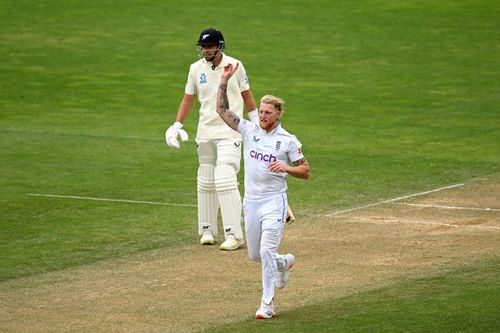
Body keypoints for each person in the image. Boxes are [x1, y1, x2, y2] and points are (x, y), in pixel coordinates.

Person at [215, 63, 311, 319]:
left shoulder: (288, 140)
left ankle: (266, 304)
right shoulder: (249, 129)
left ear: (278, 115)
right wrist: (224, 81)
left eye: (268, 112)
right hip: (252, 202)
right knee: (257, 255)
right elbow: (222, 110)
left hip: (274, 202)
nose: (263, 115)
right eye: (261, 111)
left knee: (267, 251)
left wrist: (286, 168)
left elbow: (306, 171)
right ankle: (284, 262)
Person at [165, 28, 258, 251]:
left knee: (225, 179)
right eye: (203, 47)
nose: (206, 50)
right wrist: (177, 124)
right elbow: (188, 98)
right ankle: (207, 230)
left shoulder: (235, 65)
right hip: (205, 132)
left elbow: (247, 96)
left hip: (229, 131)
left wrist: (257, 126)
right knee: (206, 180)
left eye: (210, 46)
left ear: (220, 46)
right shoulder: (195, 69)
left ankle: (234, 234)